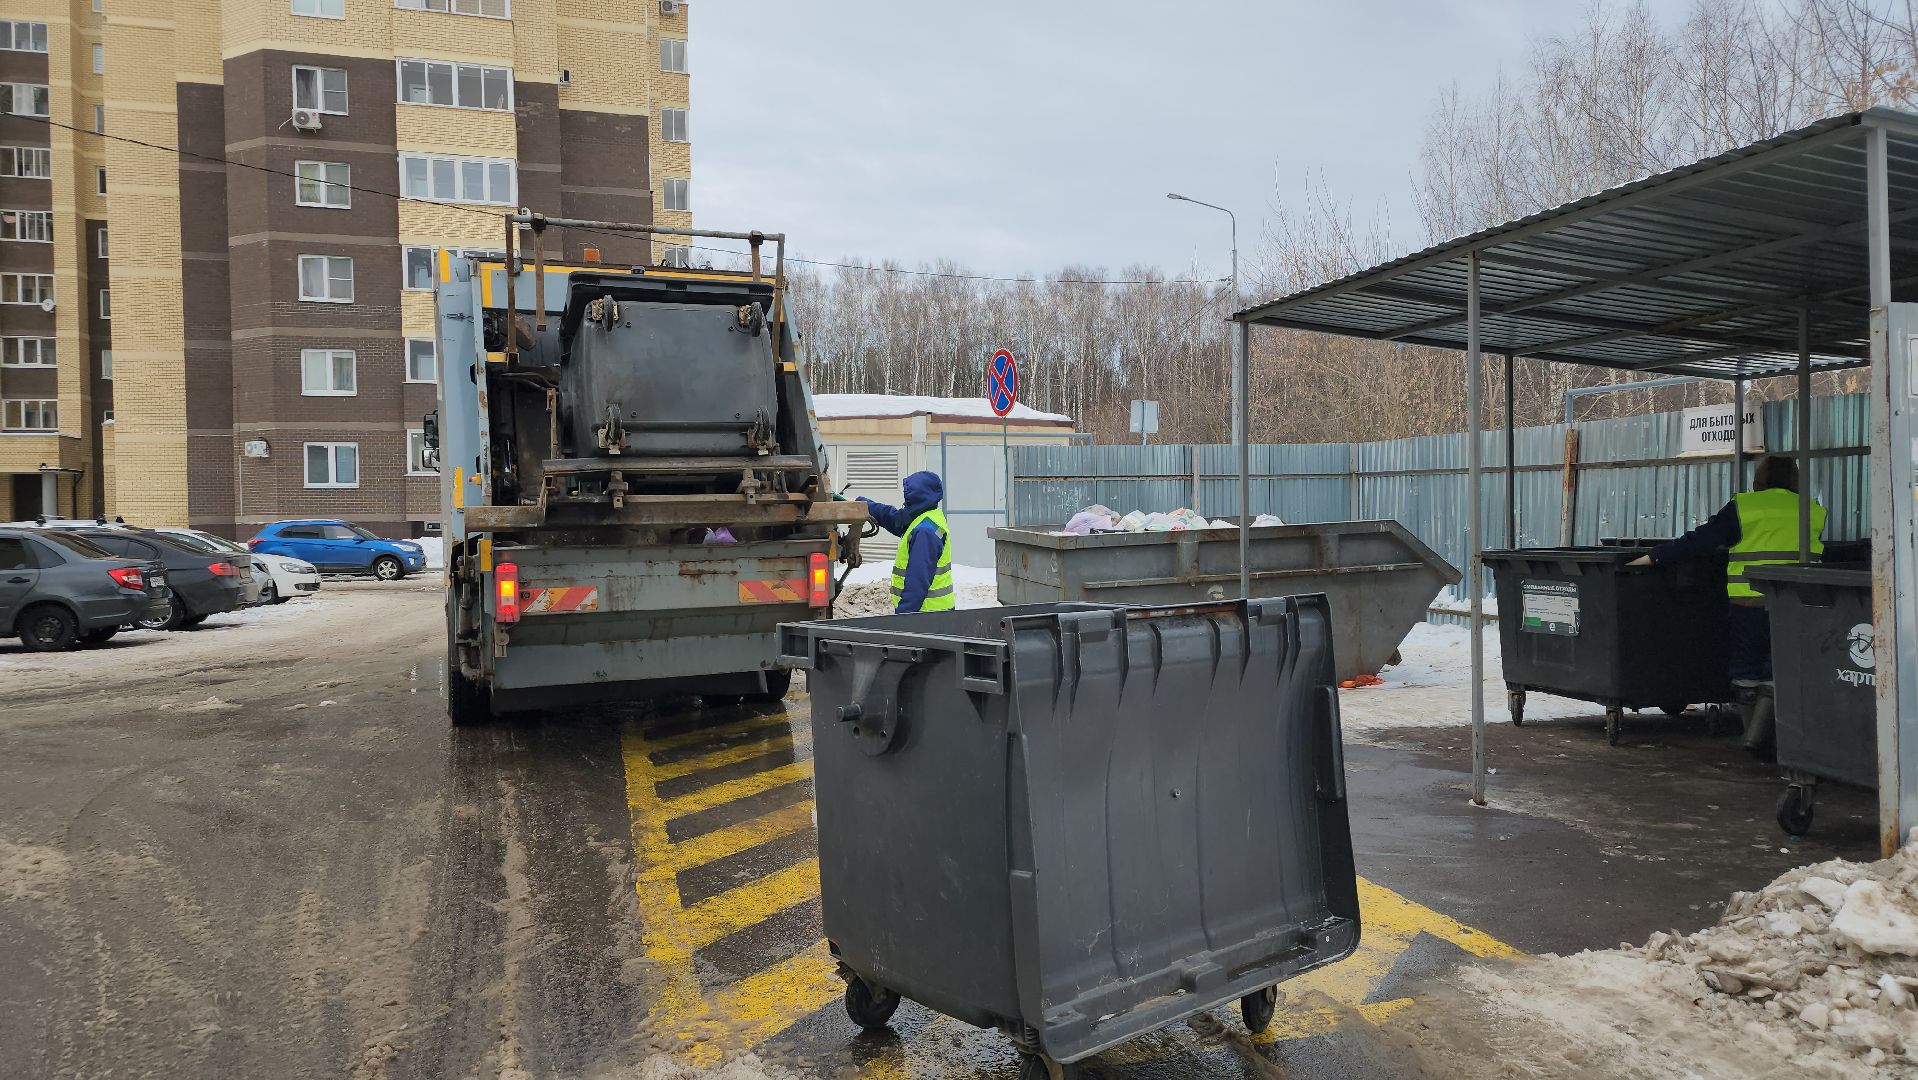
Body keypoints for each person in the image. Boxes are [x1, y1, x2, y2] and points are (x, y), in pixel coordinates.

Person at [1633, 454, 1826, 757]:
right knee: (1784, 667)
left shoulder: (1744, 507)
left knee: (1748, 669)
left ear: (1759, 479)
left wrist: (1655, 556)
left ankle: (1752, 737)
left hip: (1748, 602)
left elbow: (1700, 541)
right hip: (1797, 605)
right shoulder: (1813, 510)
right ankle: (1778, 738)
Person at [857, 470, 954, 613]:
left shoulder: (924, 532)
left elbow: (917, 583)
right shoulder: (928, 515)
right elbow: (894, 518)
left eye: (908, 496)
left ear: (917, 497)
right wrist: (863, 504)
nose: (905, 500)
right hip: (932, 613)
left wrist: (902, 618)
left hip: (927, 617)